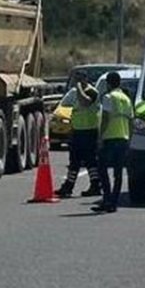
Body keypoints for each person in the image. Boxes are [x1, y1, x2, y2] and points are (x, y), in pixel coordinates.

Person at [92, 71, 133, 214]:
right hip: (123, 137)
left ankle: (106, 199)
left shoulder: (109, 97)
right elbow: (131, 120)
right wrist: (130, 138)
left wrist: (100, 137)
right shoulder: (126, 99)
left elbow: (106, 118)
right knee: (118, 172)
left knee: (102, 170)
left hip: (110, 138)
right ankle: (113, 203)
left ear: (108, 83)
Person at [55, 82, 102, 198]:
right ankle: (68, 186)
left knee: (90, 160)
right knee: (74, 161)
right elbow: (64, 104)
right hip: (77, 131)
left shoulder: (92, 92)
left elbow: (85, 102)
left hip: (89, 131)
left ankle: (95, 185)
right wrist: (73, 92)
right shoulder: (75, 92)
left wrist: (79, 89)